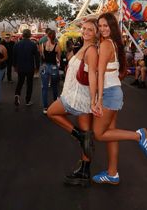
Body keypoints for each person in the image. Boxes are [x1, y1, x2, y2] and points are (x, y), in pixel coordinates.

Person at [91, 12, 147, 185]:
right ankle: (112, 174)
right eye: (100, 25)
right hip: (113, 90)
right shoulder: (112, 43)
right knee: (111, 134)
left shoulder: (105, 45)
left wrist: (98, 100)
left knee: (99, 133)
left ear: (112, 27)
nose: (103, 29)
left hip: (108, 93)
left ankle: (138, 136)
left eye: (106, 26)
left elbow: (101, 73)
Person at [47, 18, 98, 186]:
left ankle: (78, 135)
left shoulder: (91, 50)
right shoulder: (83, 46)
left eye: (90, 29)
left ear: (96, 33)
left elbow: (93, 75)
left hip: (78, 97)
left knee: (52, 112)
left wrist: (94, 100)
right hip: (77, 94)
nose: (86, 31)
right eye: (84, 28)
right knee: (87, 137)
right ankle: (84, 171)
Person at [13, 29, 40, 106]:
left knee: (20, 82)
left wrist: (14, 66)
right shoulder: (33, 44)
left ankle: (17, 95)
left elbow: (14, 56)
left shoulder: (17, 44)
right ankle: (27, 100)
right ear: (30, 35)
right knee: (29, 84)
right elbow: (37, 57)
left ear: (22, 35)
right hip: (30, 67)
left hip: (20, 67)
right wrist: (37, 67)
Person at [39, 29, 61, 114]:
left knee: (44, 87)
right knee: (55, 86)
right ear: (54, 37)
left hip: (44, 66)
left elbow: (42, 56)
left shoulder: (42, 45)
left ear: (47, 36)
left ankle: (45, 107)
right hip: (53, 67)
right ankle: (55, 105)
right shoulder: (57, 46)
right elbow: (58, 58)